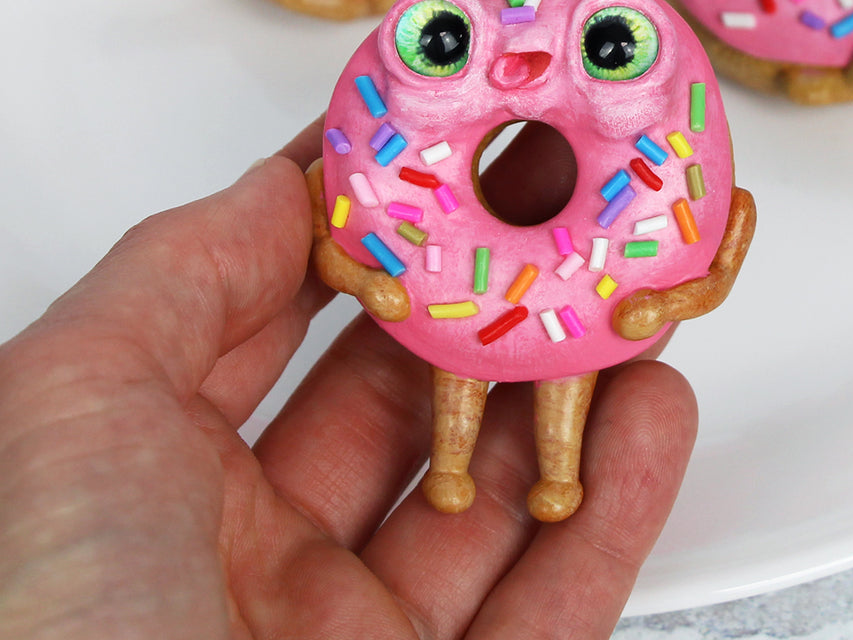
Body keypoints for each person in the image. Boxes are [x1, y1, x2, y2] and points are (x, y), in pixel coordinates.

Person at [0, 119, 698, 637]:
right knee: (458, 365)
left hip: (564, 310)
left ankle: (548, 476)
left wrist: (676, 292)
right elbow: (336, 247)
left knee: (547, 373)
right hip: (447, 304)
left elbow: (713, 241)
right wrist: (364, 275)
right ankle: (463, 471)